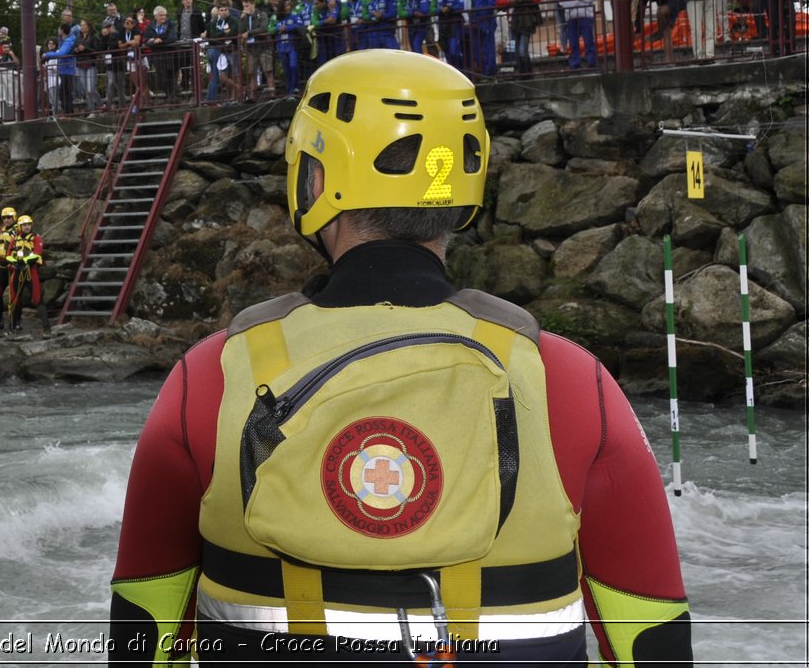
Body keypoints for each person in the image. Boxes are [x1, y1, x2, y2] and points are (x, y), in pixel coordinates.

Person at [109, 49, 693, 666]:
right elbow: (653, 641)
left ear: (313, 179)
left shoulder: (207, 380)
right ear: (461, 183)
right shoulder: (572, 383)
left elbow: (141, 638)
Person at [5, 214, 45, 333]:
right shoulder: (15, 239)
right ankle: (14, 325)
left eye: (29, 225)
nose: (27, 227)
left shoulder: (36, 238)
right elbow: (8, 256)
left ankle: (46, 328)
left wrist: (24, 261)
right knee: (14, 298)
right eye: (24, 225)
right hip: (17, 271)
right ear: (20, 227)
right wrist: (16, 262)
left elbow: (37, 253)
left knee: (38, 298)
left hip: (30, 271)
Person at [501, 0, 542, 74]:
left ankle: (525, 73)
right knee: (516, 50)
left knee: (522, 50)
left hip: (527, 22)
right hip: (512, 23)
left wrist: (523, 0)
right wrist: (510, 2)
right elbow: (499, 2)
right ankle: (526, 72)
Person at [465, 0, 499, 76]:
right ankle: (483, 73)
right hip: (474, 21)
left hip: (486, 19)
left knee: (488, 47)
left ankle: (491, 74)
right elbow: (470, 3)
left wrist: (483, 15)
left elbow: (491, 2)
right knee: (476, 49)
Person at [0, 206, 19, 331]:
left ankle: (15, 322)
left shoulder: (19, 231)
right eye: (4, 218)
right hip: (2, 265)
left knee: (14, 295)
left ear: (14, 217)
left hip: (14, 266)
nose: (6, 220)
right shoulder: (2, 231)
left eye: (9, 217)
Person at [42, 23, 79, 115]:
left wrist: (47, 55)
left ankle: (68, 112)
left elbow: (62, 53)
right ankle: (68, 112)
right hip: (64, 69)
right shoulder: (64, 41)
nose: (58, 31)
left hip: (68, 69)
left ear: (62, 31)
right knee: (64, 92)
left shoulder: (68, 41)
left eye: (59, 29)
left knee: (65, 92)